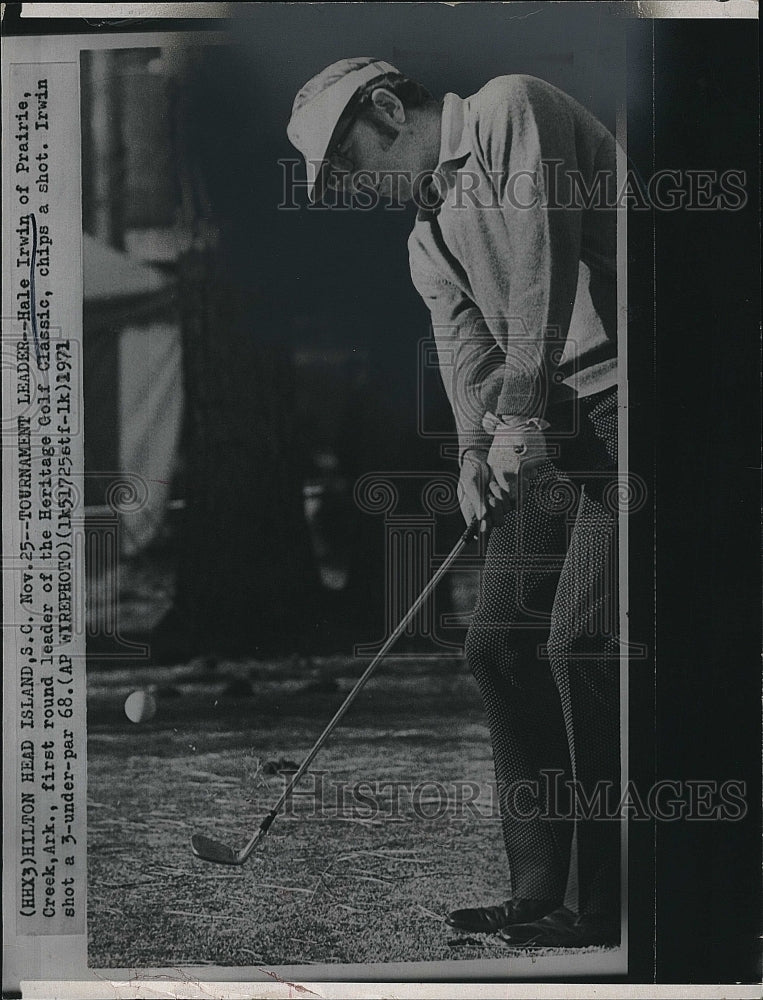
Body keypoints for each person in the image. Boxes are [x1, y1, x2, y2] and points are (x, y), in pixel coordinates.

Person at [288, 58, 621, 948]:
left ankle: (615, 899)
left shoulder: (511, 108)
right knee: (497, 642)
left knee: (581, 642)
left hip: (638, 396)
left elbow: (544, 264)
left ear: (389, 107)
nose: (355, 189)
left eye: (351, 165)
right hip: (545, 417)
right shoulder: (425, 233)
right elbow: (464, 351)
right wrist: (474, 452)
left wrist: (512, 418)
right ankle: (543, 888)